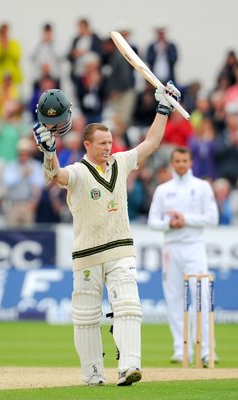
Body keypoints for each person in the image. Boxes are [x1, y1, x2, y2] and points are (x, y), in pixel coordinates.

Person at [32, 82, 180, 386]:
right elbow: (54, 176)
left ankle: (129, 368)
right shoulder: (77, 172)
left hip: (120, 249)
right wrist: (49, 152)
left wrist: (163, 108)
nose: (108, 147)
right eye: (102, 143)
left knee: (128, 305)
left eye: (110, 142)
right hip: (87, 254)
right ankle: (93, 375)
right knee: (86, 318)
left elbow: (150, 143)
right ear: (87, 145)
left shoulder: (121, 162)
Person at [147, 147, 219, 367]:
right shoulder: (163, 190)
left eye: (184, 160)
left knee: (202, 297)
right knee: (174, 298)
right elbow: (152, 222)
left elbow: (212, 218)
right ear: (172, 163)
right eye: (177, 161)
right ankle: (181, 349)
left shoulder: (202, 187)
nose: (181, 164)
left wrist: (185, 219)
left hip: (194, 247)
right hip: (171, 247)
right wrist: (170, 223)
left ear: (190, 161)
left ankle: (206, 351)